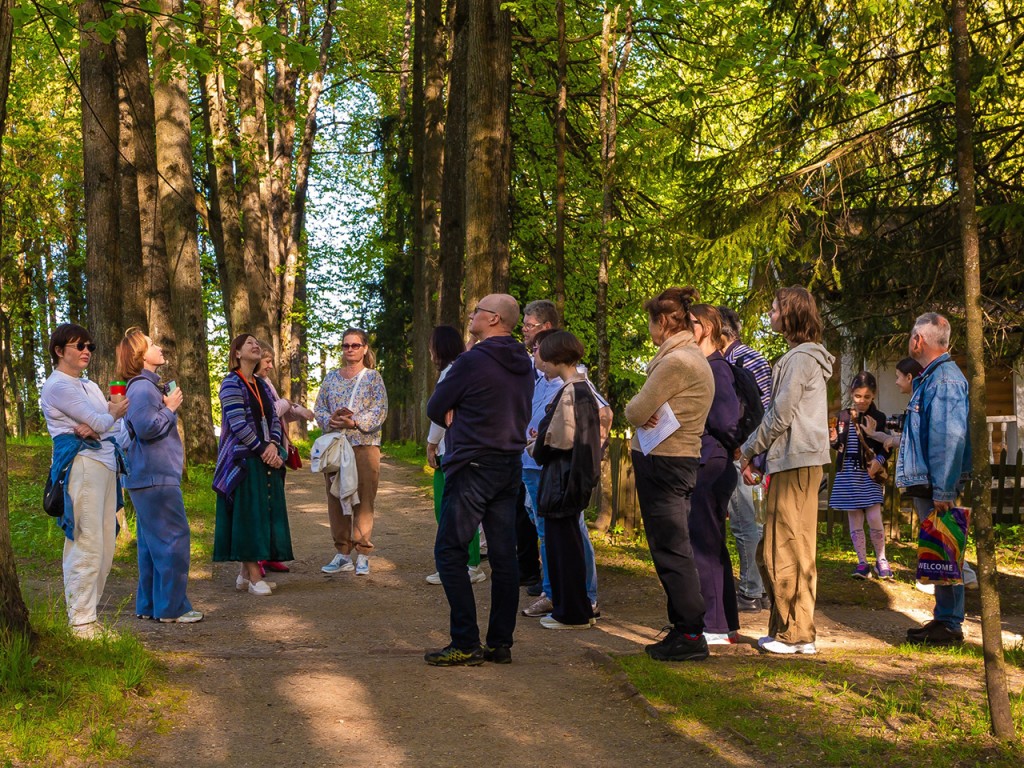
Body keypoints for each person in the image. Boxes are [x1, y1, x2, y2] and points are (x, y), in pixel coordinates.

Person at [424, 294, 534, 666]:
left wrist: (457, 408)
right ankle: (500, 642)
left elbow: (435, 407)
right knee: (504, 555)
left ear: (493, 319)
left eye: (476, 312)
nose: (471, 316)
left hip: (471, 463)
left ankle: (466, 641)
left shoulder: (472, 362)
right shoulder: (525, 361)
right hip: (508, 463)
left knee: (450, 552)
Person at [739, 286, 833, 655]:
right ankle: (792, 630)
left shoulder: (799, 360)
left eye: (776, 308)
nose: (771, 314)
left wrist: (748, 450)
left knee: (783, 548)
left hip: (796, 461)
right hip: (797, 461)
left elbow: (780, 415)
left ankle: (796, 634)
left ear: (792, 314)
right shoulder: (802, 358)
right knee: (789, 546)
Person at [624, 287, 714, 662]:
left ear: (662, 321)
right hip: (674, 461)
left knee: (671, 550)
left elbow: (634, 411)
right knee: (672, 547)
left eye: (650, 322)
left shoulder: (676, 362)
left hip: (665, 463)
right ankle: (684, 629)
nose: (649, 330)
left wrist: (642, 408)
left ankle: (691, 634)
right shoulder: (688, 358)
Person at [41, 323, 129, 637]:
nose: (86, 352)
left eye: (89, 346)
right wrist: (105, 419)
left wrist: (102, 423)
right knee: (86, 543)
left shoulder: (88, 386)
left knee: (106, 546)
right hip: (81, 464)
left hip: (105, 464)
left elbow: (113, 427)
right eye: (79, 346)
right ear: (59, 350)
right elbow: (105, 419)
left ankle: (90, 619)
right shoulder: (57, 385)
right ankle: (79, 623)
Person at [520, 300, 607, 618]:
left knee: (570, 529)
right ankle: (552, 591)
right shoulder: (539, 373)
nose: (525, 332)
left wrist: (586, 456)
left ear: (545, 331)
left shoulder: (571, 378)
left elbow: (603, 413)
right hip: (530, 464)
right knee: (543, 531)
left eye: (529, 326)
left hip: (555, 468)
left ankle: (586, 595)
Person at [895, 313, 971, 646]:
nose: (910, 341)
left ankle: (951, 625)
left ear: (919, 340)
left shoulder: (944, 381)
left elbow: (947, 438)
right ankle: (944, 619)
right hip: (931, 479)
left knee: (946, 547)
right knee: (939, 548)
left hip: (937, 482)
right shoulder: (933, 377)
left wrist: (943, 487)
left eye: (911, 336)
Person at [116, 328, 202, 623]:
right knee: (173, 539)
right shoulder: (141, 388)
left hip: (148, 476)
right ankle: (173, 609)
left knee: (151, 545)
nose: (159, 347)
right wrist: (170, 409)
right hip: (154, 476)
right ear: (139, 355)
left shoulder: (146, 387)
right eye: (152, 345)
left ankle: (150, 605)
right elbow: (145, 427)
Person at [212, 333, 293, 596]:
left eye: (257, 343)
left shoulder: (259, 383)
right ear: (237, 353)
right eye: (250, 343)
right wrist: (262, 448)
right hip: (241, 459)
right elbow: (237, 423)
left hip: (263, 455)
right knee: (247, 517)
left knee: (261, 514)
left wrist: (273, 444)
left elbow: (273, 418)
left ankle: (244, 575)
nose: (256, 345)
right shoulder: (230, 383)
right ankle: (255, 577)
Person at [314, 329, 388, 576]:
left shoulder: (373, 378)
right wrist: (331, 420)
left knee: (364, 500)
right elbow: (319, 408)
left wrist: (354, 422)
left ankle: (363, 553)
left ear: (365, 348)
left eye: (355, 345)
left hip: (364, 446)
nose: (350, 349)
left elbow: (380, 409)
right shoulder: (331, 378)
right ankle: (342, 553)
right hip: (336, 446)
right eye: (346, 345)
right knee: (336, 498)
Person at [688, 304, 741, 644]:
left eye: (689, 324)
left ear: (705, 328)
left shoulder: (716, 368)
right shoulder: (711, 367)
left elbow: (726, 421)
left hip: (712, 463)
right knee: (712, 544)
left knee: (705, 545)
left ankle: (715, 625)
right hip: (712, 461)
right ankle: (724, 623)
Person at [717, 305, 773, 612]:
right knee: (745, 522)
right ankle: (757, 588)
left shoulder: (746, 358)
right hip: (737, 451)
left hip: (744, 454)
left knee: (746, 523)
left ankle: (752, 590)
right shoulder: (729, 359)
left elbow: (762, 409)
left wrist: (749, 453)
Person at [425, 325, 485, 585]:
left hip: (452, 451)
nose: (429, 351)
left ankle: (469, 565)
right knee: (446, 508)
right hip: (454, 450)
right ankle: (457, 563)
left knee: (455, 509)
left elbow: (441, 410)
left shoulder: (452, 372)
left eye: (432, 345)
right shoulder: (460, 368)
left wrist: (431, 443)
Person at [828, 371, 893, 580]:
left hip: (869, 473)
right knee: (854, 519)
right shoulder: (843, 417)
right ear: (851, 394)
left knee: (874, 516)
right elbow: (840, 446)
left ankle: (882, 560)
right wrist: (832, 440)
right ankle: (862, 562)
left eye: (866, 396)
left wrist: (879, 462)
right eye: (857, 396)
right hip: (847, 473)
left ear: (873, 395)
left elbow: (887, 446)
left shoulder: (879, 418)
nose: (862, 401)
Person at [256, 344, 314, 574]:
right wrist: (287, 403)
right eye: (267, 361)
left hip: (278, 447)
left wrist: (295, 409)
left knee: (274, 505)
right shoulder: (251, 382)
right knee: (261, 504)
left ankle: (271, 554)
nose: (270, 366)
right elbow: (269, 410)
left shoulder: (267, 382)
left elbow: (279, 412)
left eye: (271, 361)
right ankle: (257, 557)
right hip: (263, 449)